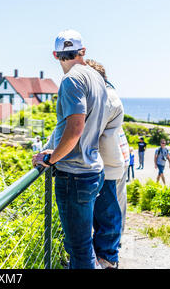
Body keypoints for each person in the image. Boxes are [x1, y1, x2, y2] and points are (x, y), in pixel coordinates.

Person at [32, 30, 110, 269]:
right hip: (93, 169)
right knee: (83, 244)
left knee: (79, 249)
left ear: (56, 55)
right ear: (83, 52)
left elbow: (75, 128)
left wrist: (51, 157)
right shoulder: (97, 77)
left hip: (74, 175)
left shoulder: (71, 80)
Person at [86, 59, 126, 268]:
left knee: (107, 219)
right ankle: (107, 258)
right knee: (109, 216)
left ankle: (107, 261)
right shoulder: (107, 95)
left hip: (106, 168)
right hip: (111, 166)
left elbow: (89, 131)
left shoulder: (105, 98)